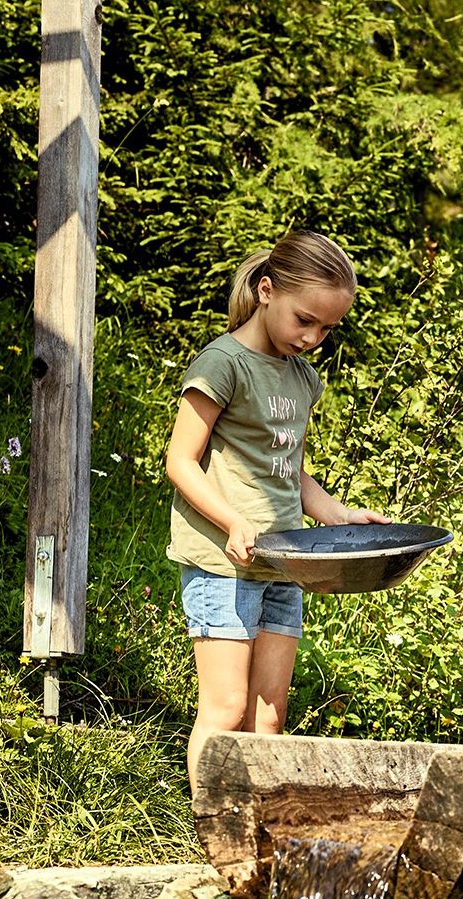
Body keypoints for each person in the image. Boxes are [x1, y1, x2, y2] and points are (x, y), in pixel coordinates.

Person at [165, 231, 390, 787]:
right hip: (226, 561)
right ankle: (212, 835)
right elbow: (180, 462)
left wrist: (338, 515)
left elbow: (289, 468)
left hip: (286, 559)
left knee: (268, 718)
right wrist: (233, 522)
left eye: (327, 329)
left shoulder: (301, 377)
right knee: (225, 711)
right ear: (266, 291)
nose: (313, 337)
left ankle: (257, 835)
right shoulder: (223, 364)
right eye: (305, 320)